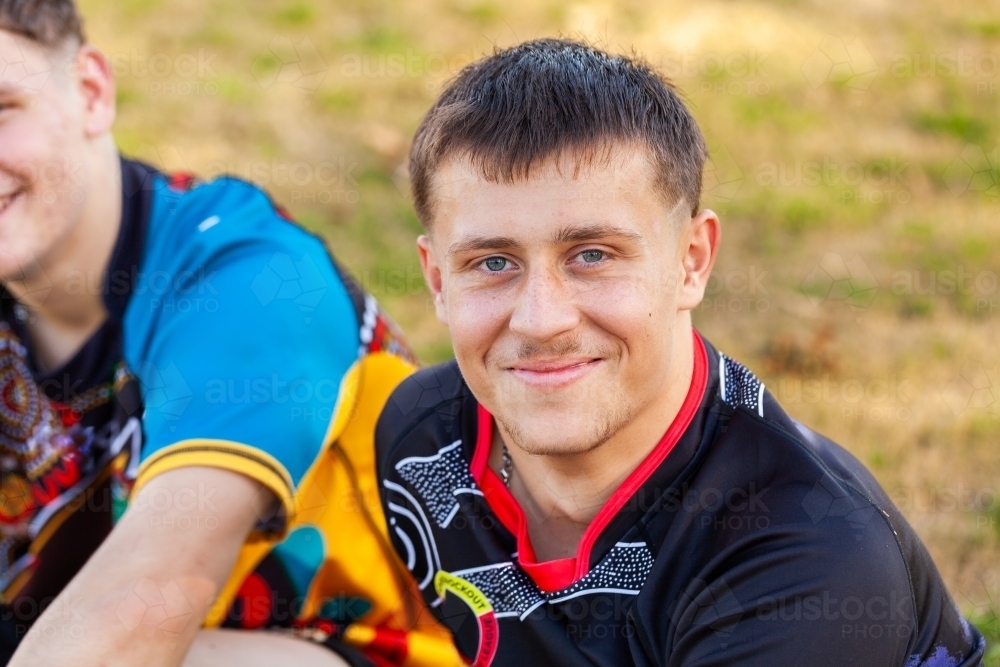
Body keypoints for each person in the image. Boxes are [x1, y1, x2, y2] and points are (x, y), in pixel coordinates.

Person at [375, 38, 987, 666]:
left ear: (691, 261)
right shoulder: (421, 437)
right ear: (438, 280)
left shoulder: (804, 555)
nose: (541, 320)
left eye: (593, 255)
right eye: (493, 262)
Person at [0, 2, 458, 665]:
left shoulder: (251, 278)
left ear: (90, 91)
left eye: (4, 108)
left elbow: (146, 603)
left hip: (370, 646)